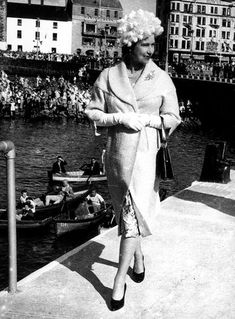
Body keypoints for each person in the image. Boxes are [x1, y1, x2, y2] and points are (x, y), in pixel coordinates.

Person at [85, 10, 181, 311]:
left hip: (146, 159)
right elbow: (92, 111)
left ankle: (118, 281)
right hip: (117, 156)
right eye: (146, 45)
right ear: (131, 44)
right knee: (128, 216)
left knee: (130, 218)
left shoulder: (161, 78)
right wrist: (119, 117)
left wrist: (151, 121)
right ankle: (138, 259)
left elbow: (173, 116)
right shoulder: (109, 76)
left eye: (153, 45)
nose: (151, 50)